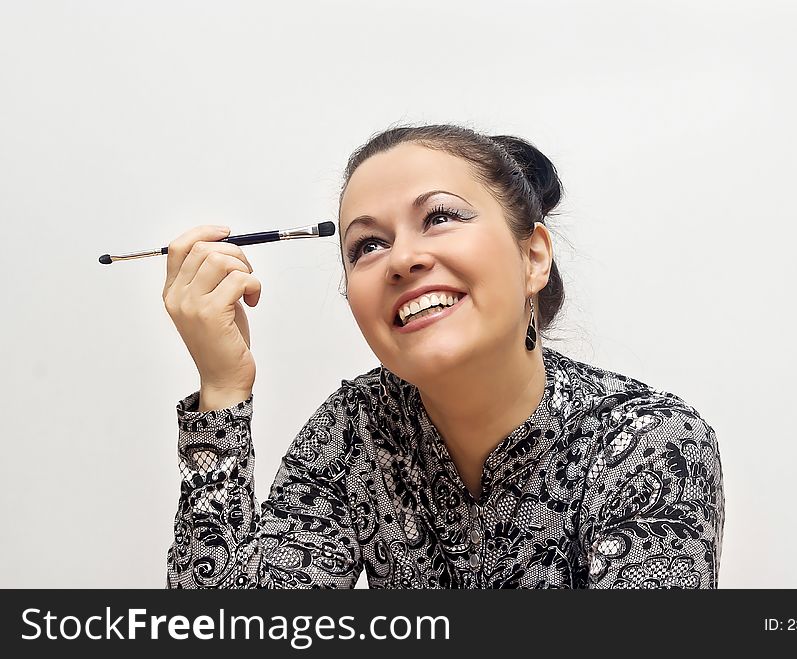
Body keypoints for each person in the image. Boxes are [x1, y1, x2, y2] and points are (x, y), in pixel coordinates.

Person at [162, 123, 724, 589]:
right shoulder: (357, 429)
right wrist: (222, 388)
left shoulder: (652, 442)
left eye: (440, 217)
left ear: (532, 256)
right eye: (368, 246)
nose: (402, 259)